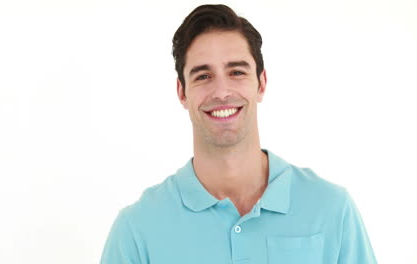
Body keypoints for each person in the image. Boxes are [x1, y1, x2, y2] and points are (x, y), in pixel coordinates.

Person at [100, 4, 376, 264]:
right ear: (182, 93)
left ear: (261, 83)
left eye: (236, 71)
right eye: (203, 76)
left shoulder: (331, 209)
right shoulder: (137, 230)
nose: (221, 92)